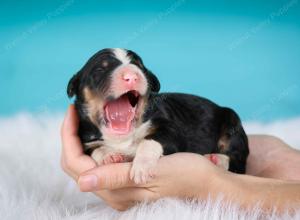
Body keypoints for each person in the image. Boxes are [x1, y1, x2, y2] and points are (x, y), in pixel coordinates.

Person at [61, 105, 300, 211]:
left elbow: (162, 140)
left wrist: (213, 184)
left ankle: (230, 161)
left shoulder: (156, 120)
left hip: (218, 126)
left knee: (230, 125)